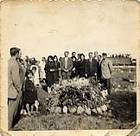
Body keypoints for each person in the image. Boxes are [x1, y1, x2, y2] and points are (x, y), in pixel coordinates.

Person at [8, 47, 21, 129]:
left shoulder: (8, 62)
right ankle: (8, 127)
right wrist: (19, 89)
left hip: (7, 89)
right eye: (19, 53)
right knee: (11, 111)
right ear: (16, 54)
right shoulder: (14, 63)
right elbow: (15, 79)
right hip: (12, 90)